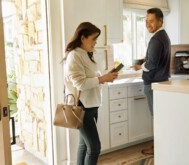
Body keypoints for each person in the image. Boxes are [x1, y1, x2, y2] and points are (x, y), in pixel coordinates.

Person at [63, 22, 118, 165]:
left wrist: (105, 77)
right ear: (83, 38)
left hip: (92, 105)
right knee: (94, 148)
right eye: (93, 38)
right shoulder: (74, 56)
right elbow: (80, 83)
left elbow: (92, 78)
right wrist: (101, 79)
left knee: (84, 145)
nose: (96, 42)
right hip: (83, 107)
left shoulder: (86, 54)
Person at [131, 8, 171, 155]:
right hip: (161, 82)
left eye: (151, 21)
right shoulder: (163, 36)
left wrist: (141, 66)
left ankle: (158, 149)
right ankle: (161, 147)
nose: (148, 24)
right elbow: (155, 59)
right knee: (161, 117)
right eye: (146, 21)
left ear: (160, 21)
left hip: (153, 84)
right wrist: (143, 61)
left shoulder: (156, 39)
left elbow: (152, 64)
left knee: (158, 118)